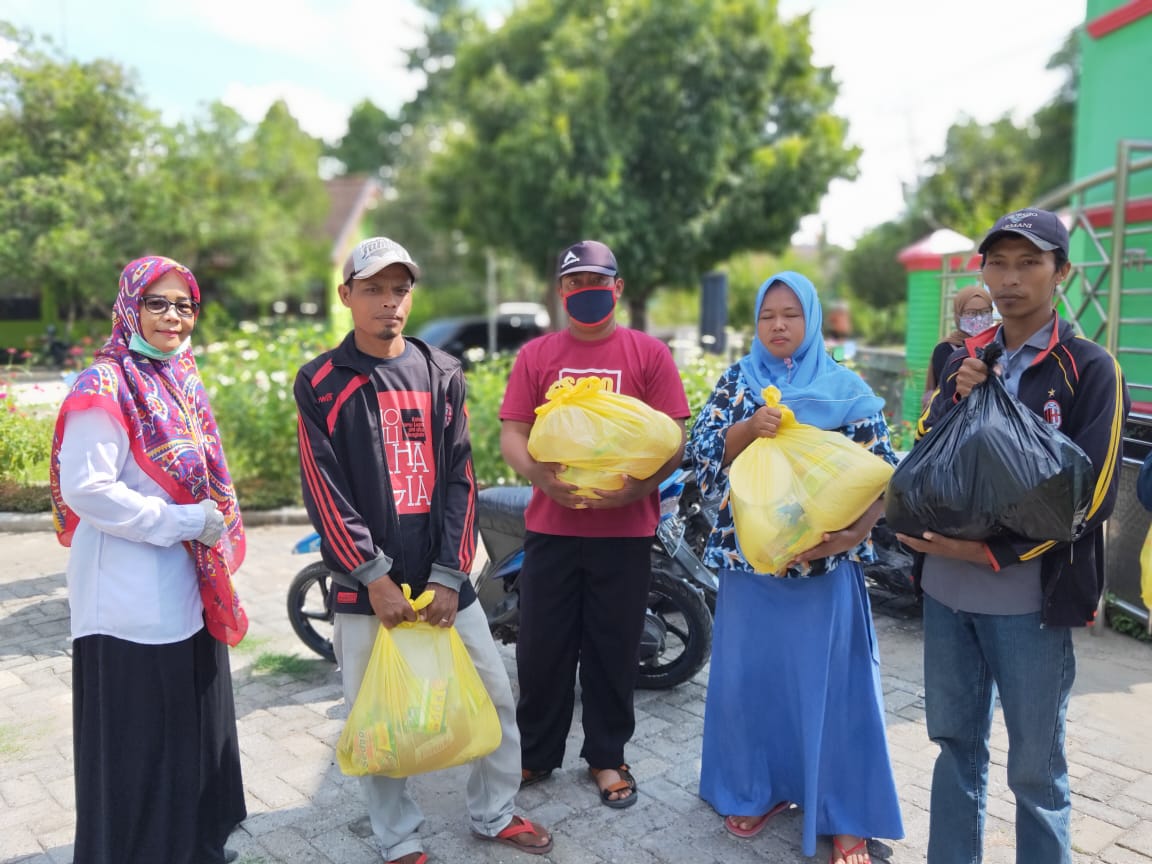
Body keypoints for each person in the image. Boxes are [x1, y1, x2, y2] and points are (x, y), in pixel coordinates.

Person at [294, 237, 552, 864]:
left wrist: (446, 575)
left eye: (400, 289)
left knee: (493, 696)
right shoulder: (322, 383)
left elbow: (461, 478)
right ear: (347, 295)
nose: (389, 302)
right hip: (364, 589)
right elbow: (323, 489)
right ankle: (399, 840)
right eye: (374, 289)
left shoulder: (441, 372)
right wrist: (374, 577)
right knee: (375, 717)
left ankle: (493, 813)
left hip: (443, 582)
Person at [898, 208, 1130, 864]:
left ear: (1062, 271)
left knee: (1035, 770)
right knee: (954, 749)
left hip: (1027, 602)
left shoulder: (1090, 369)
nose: (1010, 278)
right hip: (946, 592)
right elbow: (924, 466)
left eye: (1029, 262)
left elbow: (1091, 498)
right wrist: (952, 400)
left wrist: (990, 550)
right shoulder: (968, 359)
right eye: (997, 262)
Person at [686, 271, 904, 864]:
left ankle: (843, 812)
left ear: (810, 320)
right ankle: (758, 789)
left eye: (791, 314)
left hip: (823, 572)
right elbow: (699, 451)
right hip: (751, 564)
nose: (778, 326)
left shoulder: (845, 386)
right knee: (752, 681)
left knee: (832, 690)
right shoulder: (738, 380)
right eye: (767, 316)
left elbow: (883, 471)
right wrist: (745, 430)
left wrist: (854, 534)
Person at [49, 256, 248, 864]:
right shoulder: (102, 384)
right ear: (130, 305)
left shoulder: (178, 377)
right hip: (129, 601)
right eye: (157, 302)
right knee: (140, 744)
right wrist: (184, 521)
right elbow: (88, 489)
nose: (172, 316)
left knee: (187, 732)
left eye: (183, 304)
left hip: (187, 587)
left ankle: (191, 845)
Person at [498, 240, 690, 808]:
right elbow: (513, 432)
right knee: (541, 648)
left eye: (597, 281)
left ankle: (607, 757)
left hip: (624, 532)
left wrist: (639, 487)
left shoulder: (648, 354)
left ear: (618, 288)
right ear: (561, 292)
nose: (587, 292)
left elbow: (674, 434)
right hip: (552, 528)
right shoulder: (536, 356)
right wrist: (543, 477)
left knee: (613, 649)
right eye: (576, 283)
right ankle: (536, 753)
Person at [922, 285, 995, 406]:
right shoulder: (946, 349)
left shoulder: (998, 344)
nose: (979, 318)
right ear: (958, 315)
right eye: (971, 313)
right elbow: (947, 393)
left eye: (985, 312)